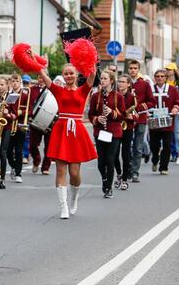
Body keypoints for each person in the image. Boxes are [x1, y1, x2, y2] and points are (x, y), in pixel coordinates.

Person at [37, 64, 97, 219]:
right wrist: (33, 61)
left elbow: (92, 75)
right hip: (61, 130)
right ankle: (63, 206)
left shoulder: (83, 90)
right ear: (63, 75)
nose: (69, 76)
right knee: (60, 170)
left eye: (71, 73)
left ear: (76, 75)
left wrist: (91, 59)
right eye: (66, 73)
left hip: (76, 131)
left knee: (75, 173)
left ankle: (74, 198)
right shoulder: (58, 90)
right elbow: (44, 76)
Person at [88, 71, 125, 198]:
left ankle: (109, 187)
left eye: (105, 78)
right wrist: (97, 119)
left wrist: (112, 112)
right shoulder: (95, 96)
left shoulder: (118, 96)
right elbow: (90, 114)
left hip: (114, 132)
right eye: (101, 78)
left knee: (110, 159)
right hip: (100, 132)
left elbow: (123, 115)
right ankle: (104, 179)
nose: (102, 81)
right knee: (100, 162)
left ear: (111, 81)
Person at [126, 60, 155, 182]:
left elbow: (151, 101)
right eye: (131, 68)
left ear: (138, 69)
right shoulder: (124, 82)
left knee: (138, 146)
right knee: (127, 146)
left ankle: (135, 172)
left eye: (135, 68)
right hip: (127, 119)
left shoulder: (144, 84)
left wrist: (142, 106)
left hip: (141, 118)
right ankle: (127, 170)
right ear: (128, 69)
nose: (133, 70)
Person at [149, 69, 179, 175]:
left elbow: (178, 101)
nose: (160, 78)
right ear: (154, 78)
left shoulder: (172, 89)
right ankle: (155, 159)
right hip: (154, 120)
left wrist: (175, 108)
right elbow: (146, 101)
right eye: (157, 76)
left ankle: (164, 167)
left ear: (166, 78)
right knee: (154, 145)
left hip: (167, 120)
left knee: (167, 144)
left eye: (162, 76)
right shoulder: (150, 89)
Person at [114, 75, 137, 190]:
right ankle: (119, 173)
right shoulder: (114, 95)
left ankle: (124, 179)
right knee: (114, 154)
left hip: (128, 127)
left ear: (128, 84)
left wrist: (132, 116)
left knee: (126, 153)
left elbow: (137, 114)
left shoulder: (132, 97)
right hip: (116, 127)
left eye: (123, 82)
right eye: (119, 81)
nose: (120, 84)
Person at [7, 74, 30, 183]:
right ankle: (14, 166)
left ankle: (18, 174)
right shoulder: (8, 95)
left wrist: (21, 112)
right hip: (10, 125)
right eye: (13, 81)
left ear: (20, 82)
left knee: (19, 150)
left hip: (20, 125)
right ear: (11, 82)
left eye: (17, 81)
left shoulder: (25, 94)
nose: (15, 83)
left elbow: (30, 111)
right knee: (8, 151)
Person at [28, 79, 52, 174]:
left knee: (49, 147)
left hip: (50, 121)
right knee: (32, 145)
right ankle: (36, 160)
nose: (41, 79)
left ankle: (46, 167)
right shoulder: (31, 90)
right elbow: (28, 104)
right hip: (35, 120)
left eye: (43, 77)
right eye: (39, 77)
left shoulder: (52, 89)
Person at [166, 63, 179, 164]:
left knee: (178, 133)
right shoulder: (164, 81)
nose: (168, 71)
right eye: (167, 69)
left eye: (170, 69)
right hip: (165, 111)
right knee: (166, 133)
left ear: (174, 71)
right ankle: (168, 153)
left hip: (178, 110)